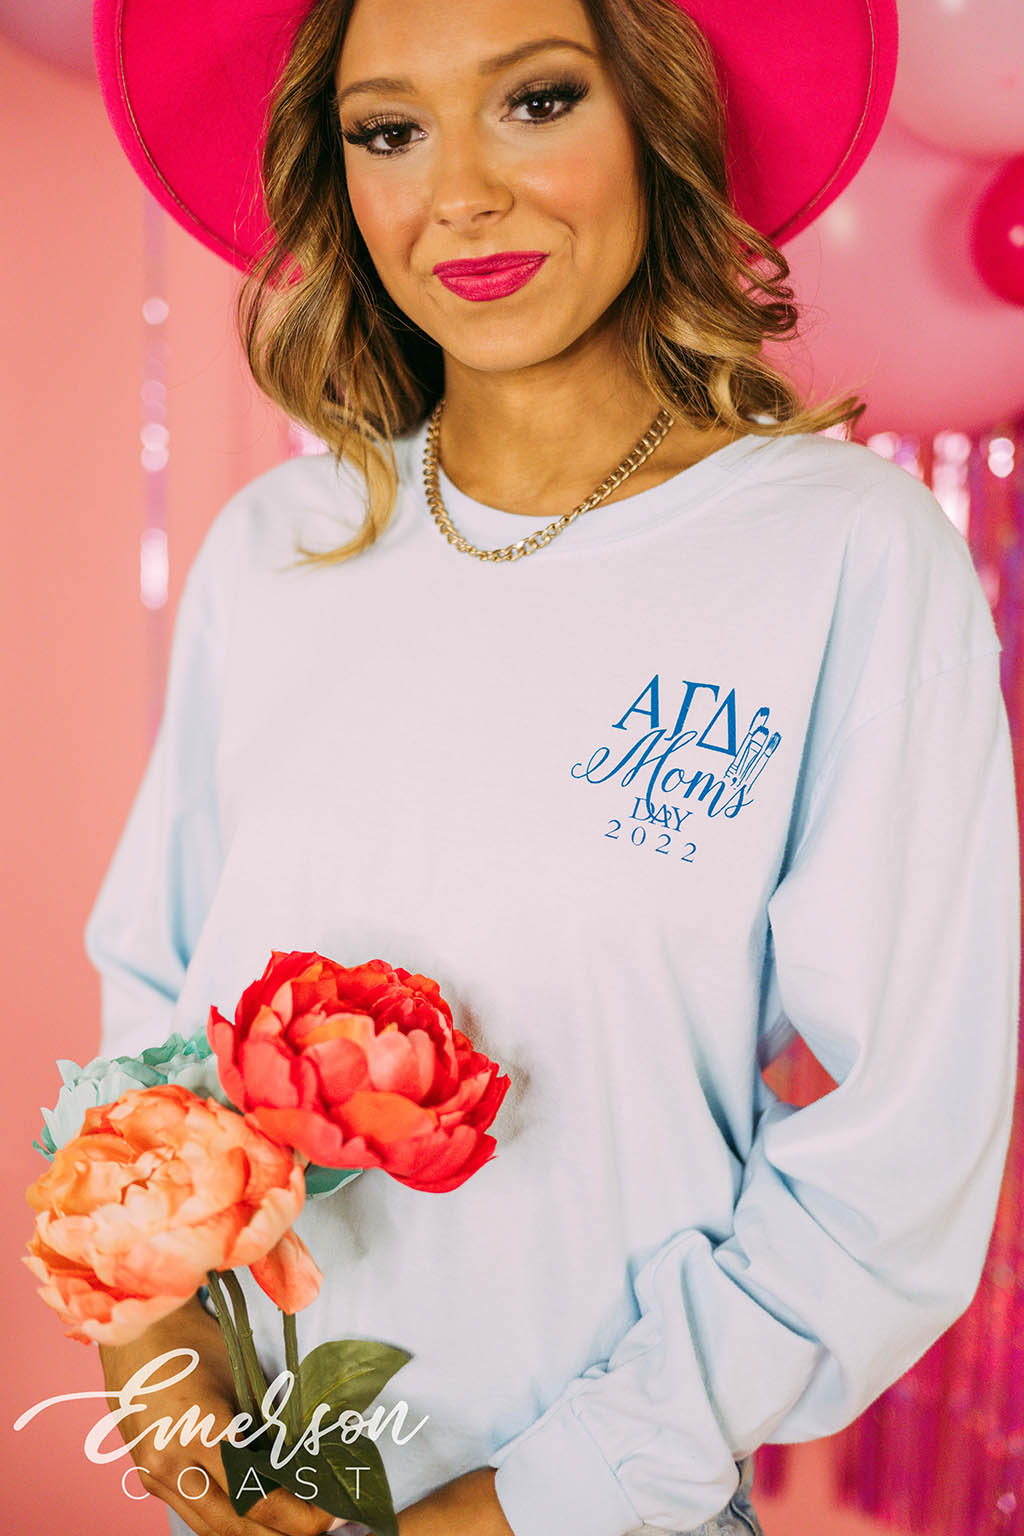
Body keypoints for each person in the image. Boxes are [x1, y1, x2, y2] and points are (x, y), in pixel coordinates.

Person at [85, 0, 1020, 1534]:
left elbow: (903, 1150)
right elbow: (154, 1012)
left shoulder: (843, 553)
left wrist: (543, 1496)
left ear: (656, 119)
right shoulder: (277, 549)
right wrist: (163, 1362)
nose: (461, 192)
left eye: (534, 101)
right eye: (392, 129)